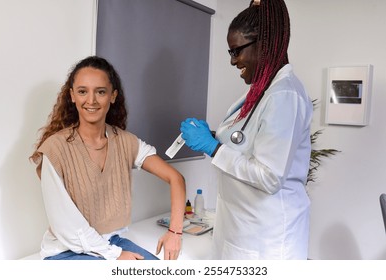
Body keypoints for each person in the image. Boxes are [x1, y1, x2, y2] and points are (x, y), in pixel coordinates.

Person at [180, 0, 313, 259]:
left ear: (264, 44)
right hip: (242, 229)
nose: (233, 61)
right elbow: (249, 144)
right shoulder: (262, 92)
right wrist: (214, 137)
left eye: (236, 51)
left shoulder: (284, 95)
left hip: (268, 239)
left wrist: (213, 147)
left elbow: (269, 176)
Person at [30, 56, 186, 260]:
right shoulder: (55, 149)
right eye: (83, 91)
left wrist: (175, 232)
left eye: (100, 92)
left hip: (111, 242)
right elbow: (67, 226)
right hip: (66, 251)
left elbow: (176, 179)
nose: (91, 100)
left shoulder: (126, 142)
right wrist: (114, 256)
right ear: (72, 96)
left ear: (112, 96)